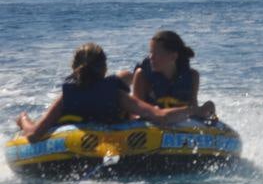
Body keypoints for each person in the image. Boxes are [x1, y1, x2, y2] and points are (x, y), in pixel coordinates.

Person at [16, 43, 216, 141]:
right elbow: (159, 116)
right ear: (104, 68)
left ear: (74, 67)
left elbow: (33, 135)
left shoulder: (67, 97)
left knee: (124, 77)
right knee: (124, 80)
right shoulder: (116, 95)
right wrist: (193, 111)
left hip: (76, 147)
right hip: (121, 142)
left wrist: (23, 119)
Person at [130, 30, 201, 108]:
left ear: (173, 57)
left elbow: (194, 108)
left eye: (156, 53)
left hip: (180, 119)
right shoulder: (142, 76)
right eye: (151, 52)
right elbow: (136, 113)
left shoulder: (192, 76)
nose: (151, 57)